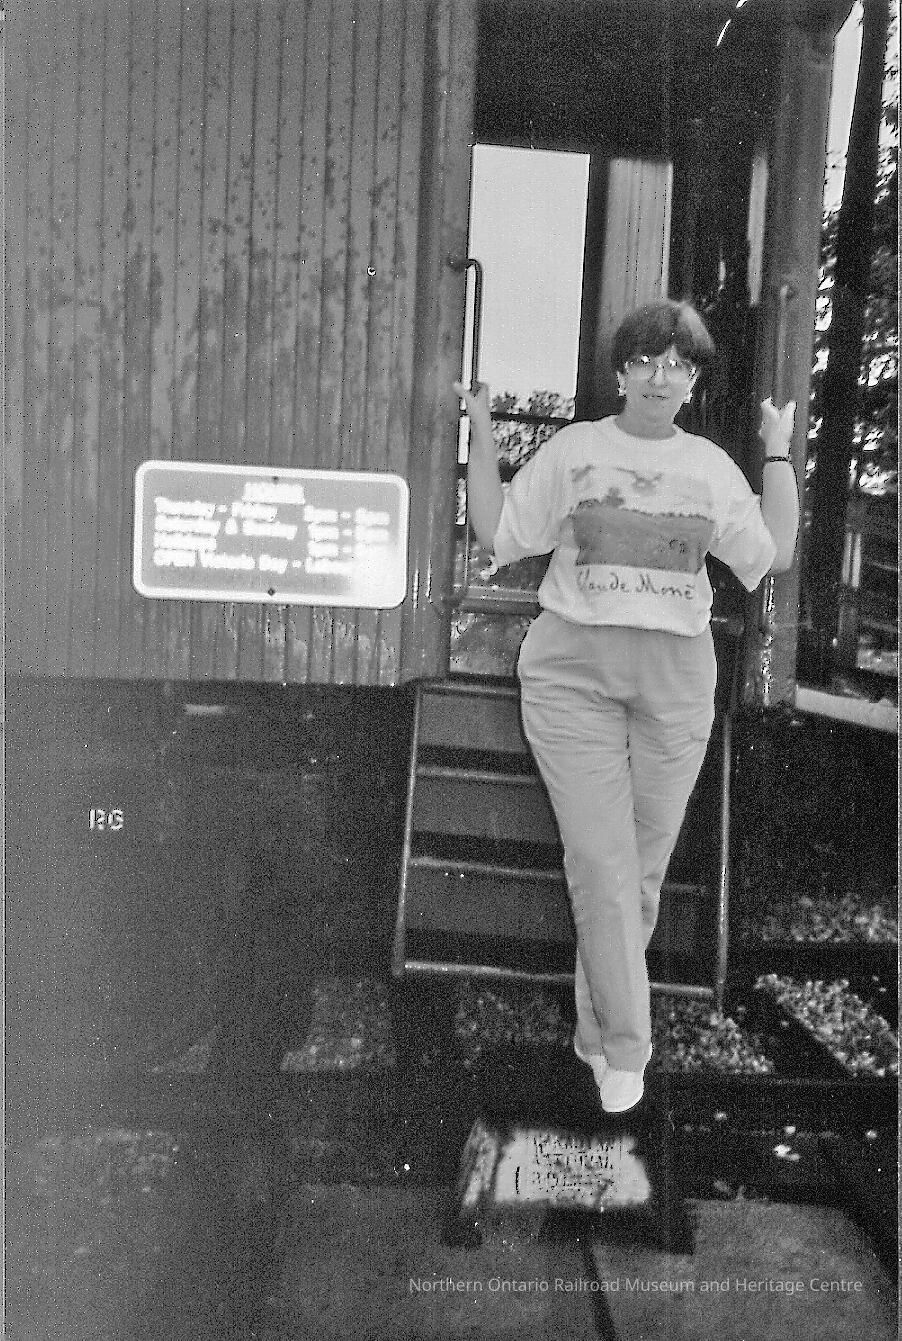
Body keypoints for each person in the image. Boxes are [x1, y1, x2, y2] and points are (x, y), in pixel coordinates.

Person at [454, 299, 799, 1114]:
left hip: (676, 680)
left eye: (678, 364)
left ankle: (593, 1034)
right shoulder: (576, 449)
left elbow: (773, 552)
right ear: (620, 371)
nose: (659, 377)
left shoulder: (710, 467)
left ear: (693, 382)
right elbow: (496, 529)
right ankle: (626, 1049)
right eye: (645, 360)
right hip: (573, 672)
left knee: (637, 880)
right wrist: (481, 429)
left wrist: (779, 451)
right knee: (602, 864)